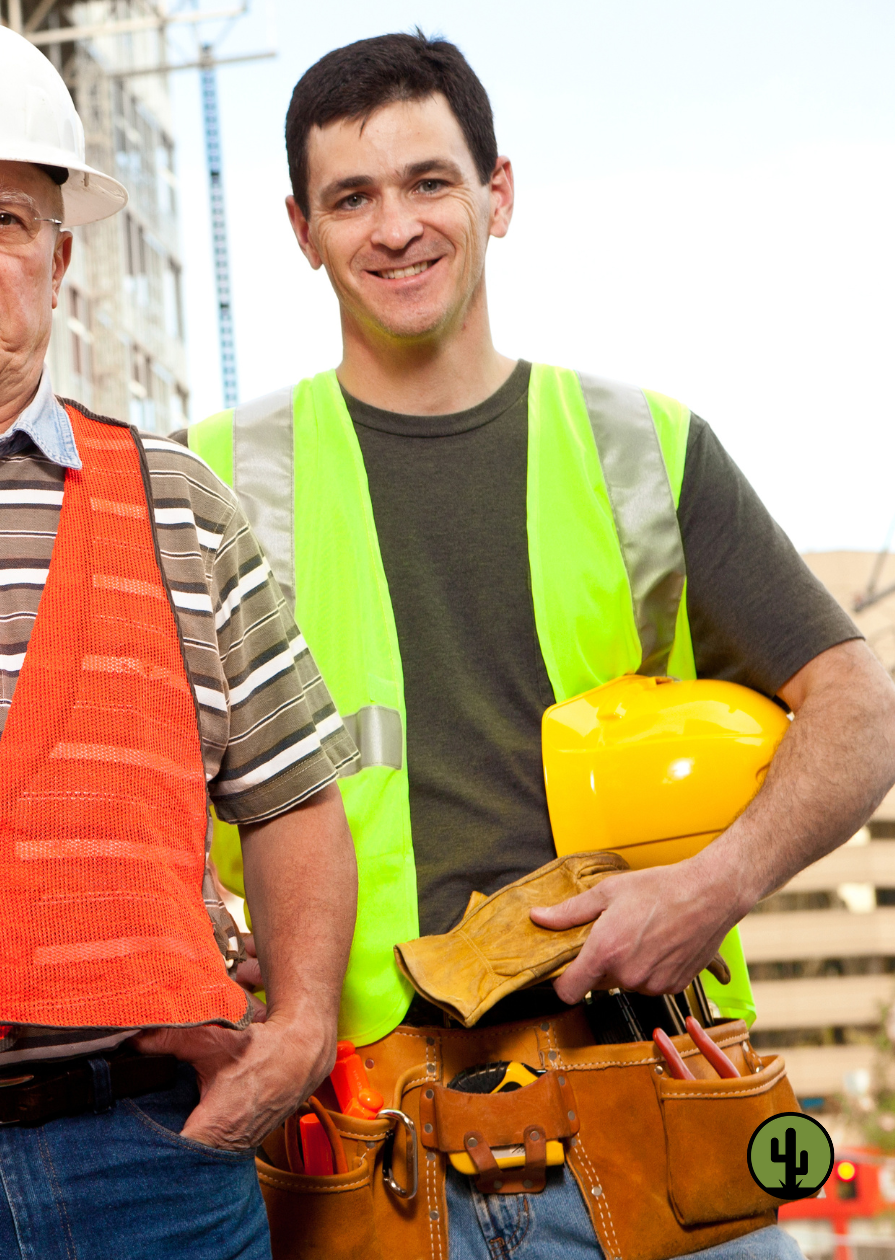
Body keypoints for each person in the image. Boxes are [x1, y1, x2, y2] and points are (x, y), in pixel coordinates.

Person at [183, 32, 895, 1260]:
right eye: (349, 197)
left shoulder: (640, 445)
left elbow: (859, 706)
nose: (393, 226)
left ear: (495, 194)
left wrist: (708, 889)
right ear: (300, 229)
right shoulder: (211, 479)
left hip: (653, 1109)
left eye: (427, 182)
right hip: (362, 1146)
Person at [0, 13, 360, 1260]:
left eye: (3, 219)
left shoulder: (175, 501)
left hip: (150, 1161)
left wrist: (299, 1034)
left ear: (58, 259)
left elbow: (293, 794)